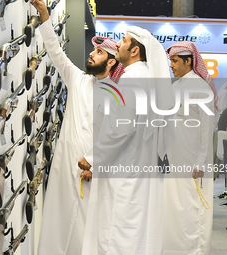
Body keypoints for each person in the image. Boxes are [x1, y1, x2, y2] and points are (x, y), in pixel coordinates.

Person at [30, 1, 124, 254]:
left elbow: (118, 140)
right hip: (65, 163)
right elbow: (55, 52)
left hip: (91, 169)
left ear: (112, 63)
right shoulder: (78, 80)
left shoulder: (118, 96)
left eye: (99, 53)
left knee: (86, 230)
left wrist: (97, 166)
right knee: (57, 223)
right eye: (93, 52)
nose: (91, 55)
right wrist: (44, 15)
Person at [80, 26, 175, 255]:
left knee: (119, 231)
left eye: (123, 41)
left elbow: (121, 129)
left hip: (126, 170)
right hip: (137, 167)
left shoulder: (133, 79)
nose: (118, 45)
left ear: (134, 51)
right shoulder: (144, 77)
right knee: (134, 229)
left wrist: (92, 158)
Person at [164, 41, 217, 255]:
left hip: (193, 160)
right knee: (174, 207)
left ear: (188, 60)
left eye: (175, 60)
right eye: (170, 60)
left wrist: (201, 160)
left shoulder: (201, 87)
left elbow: (207, 128)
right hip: (174, 159)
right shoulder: (175, 86)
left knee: (191, 206)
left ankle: (195, 250)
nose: (171, 65)